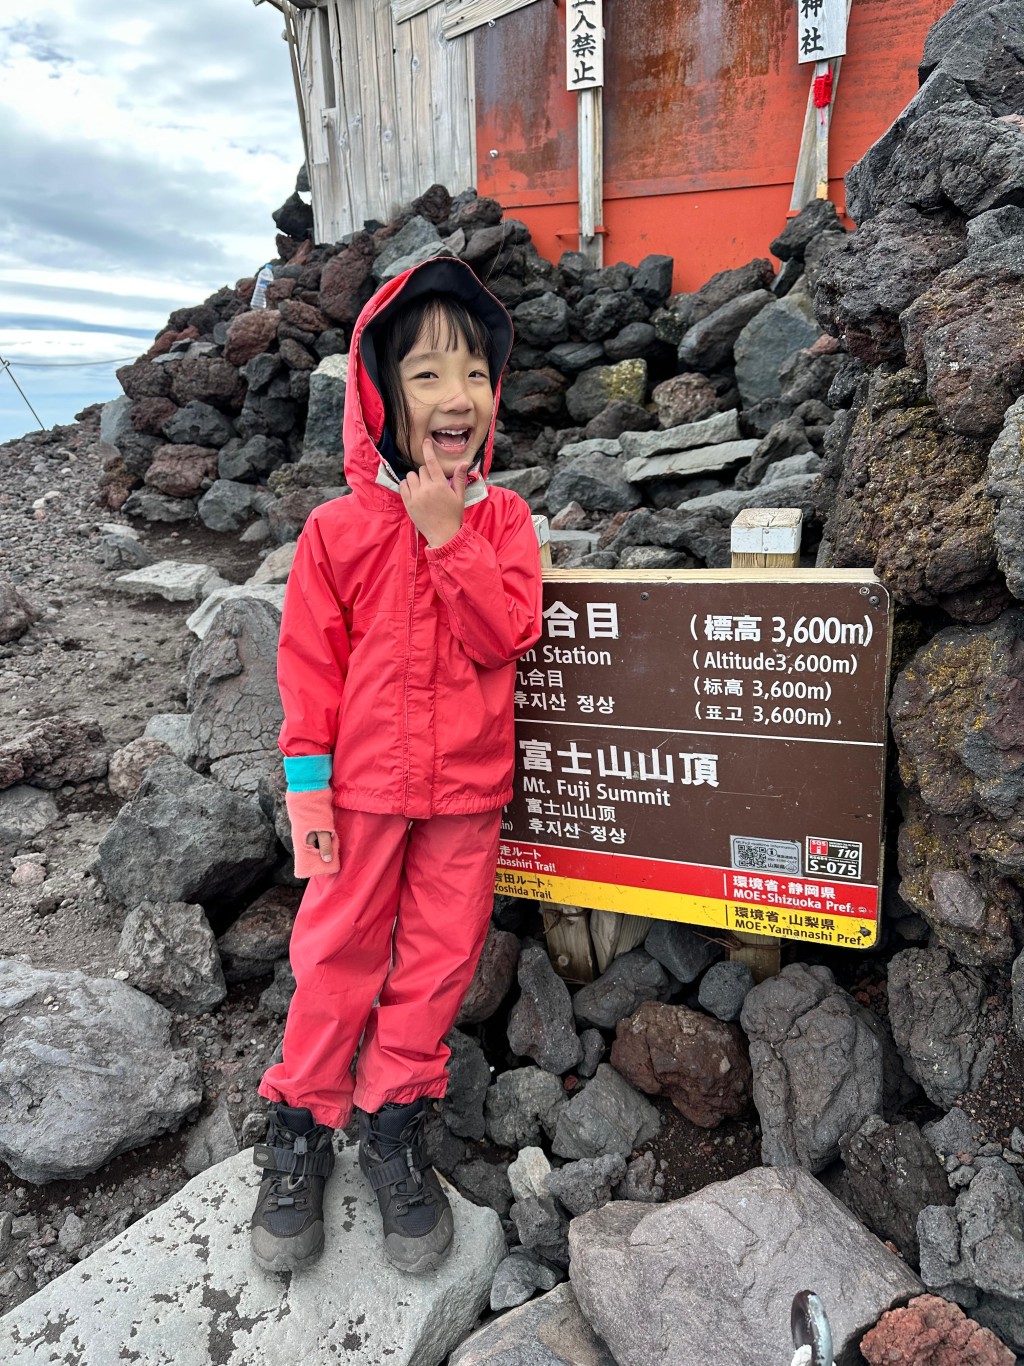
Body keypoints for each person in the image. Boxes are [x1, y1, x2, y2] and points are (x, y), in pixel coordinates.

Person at [249, 255, 544, 1277]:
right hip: (361, 797)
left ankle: (390, 1118)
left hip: (465, 800)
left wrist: (449, 537)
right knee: (334, 956)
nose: (453, 396)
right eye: (425, 373)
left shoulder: (501, 520)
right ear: (380, 390)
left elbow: (507, 631)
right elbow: (306, 673)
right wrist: (307, 795)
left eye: (471, 372)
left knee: (437, 962)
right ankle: (298, 1122)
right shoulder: (335, 530)